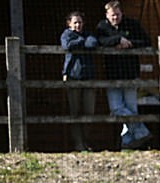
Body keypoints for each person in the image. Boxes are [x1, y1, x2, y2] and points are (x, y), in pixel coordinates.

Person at [95, 0, 152, 150]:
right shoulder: (102, 27)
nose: (115, 18)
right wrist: (117, 40)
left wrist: (129, 43)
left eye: (118, 14)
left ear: (121, 13)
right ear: (107, 15)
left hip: (130, 73)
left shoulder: (132, 24)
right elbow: (99, 41)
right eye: (112, 15)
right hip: (112, 75)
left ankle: (128, 144)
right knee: (116, 109)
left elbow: (146, 41)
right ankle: (141, 132)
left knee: (131, 109)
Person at [60, 10, 98, 151]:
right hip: (73, 76)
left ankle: (86, 141)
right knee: (74, 112)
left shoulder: (88, 34)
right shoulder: (66, 34)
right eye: (75, 22)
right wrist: (81, 41)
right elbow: (67, 45)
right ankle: (78, 144)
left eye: (80, 22)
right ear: (69, 24)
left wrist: (80, 42)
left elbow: (93, 43)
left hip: (88, 77)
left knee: (89, 111)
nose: (78, 25)